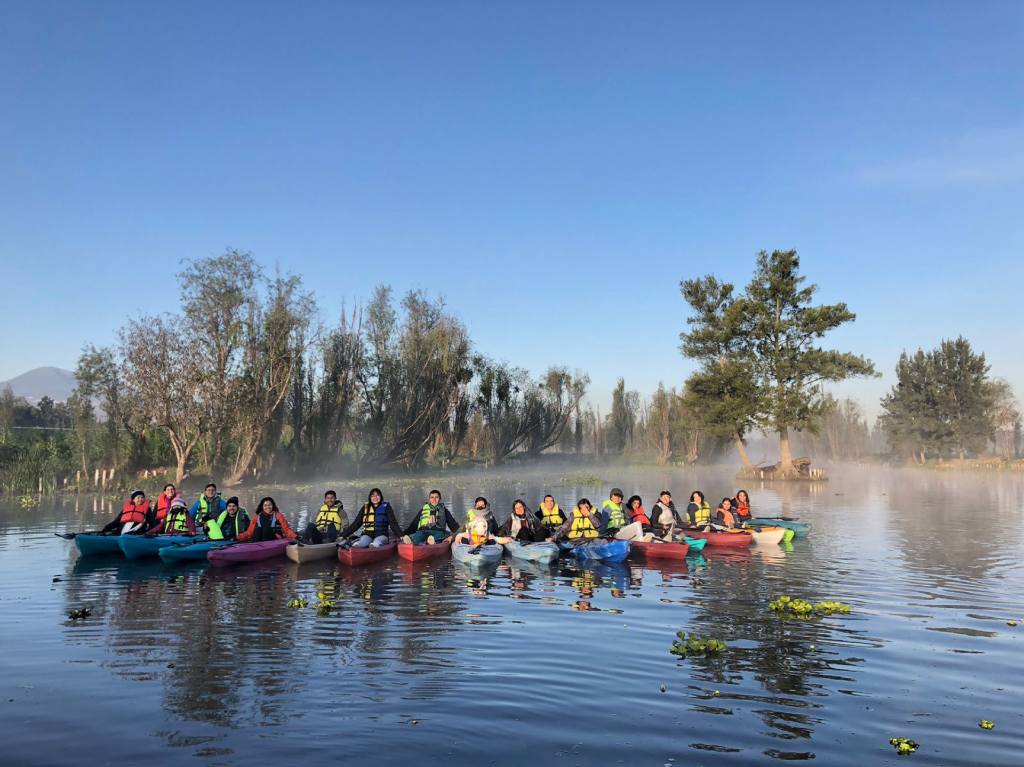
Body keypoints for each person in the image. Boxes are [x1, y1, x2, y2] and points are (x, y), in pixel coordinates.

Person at [339, 488, 404, 548]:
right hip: (367, 534)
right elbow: (356, 523)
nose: (375, 497)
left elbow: (393, 523)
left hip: (382, 535)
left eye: (377, 495)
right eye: (373, 495)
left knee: (376, 542)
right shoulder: (365, 508)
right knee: (362, 542)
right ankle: (355, 547)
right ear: (370, 498)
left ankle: (373, 546)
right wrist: (344, 535)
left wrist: (401, 535)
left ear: (381, 497)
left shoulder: (386, 507)